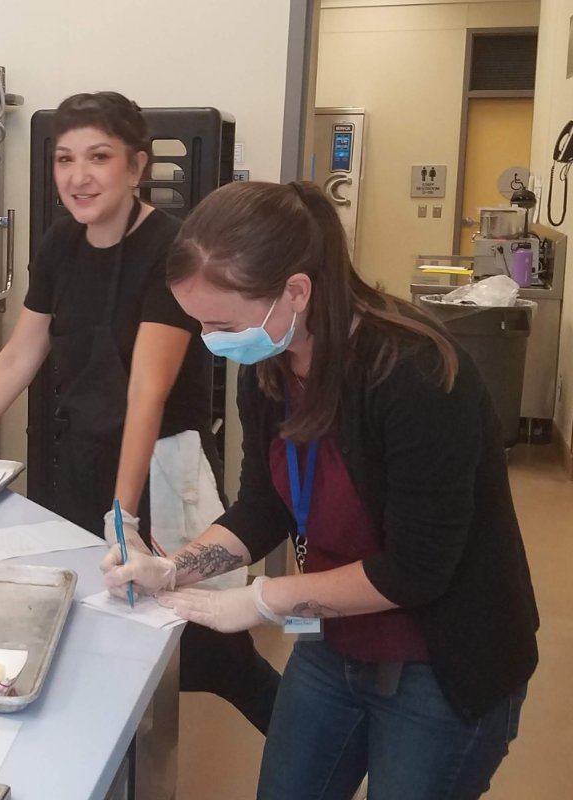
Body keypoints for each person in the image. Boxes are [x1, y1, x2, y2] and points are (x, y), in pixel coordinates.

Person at [103, 179, 538, 799]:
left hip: (443, 664)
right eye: (199, 323)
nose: (211, 341)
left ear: (296, 292)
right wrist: (173, 568)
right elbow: (263, 506)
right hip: (336, 642)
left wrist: (264, 600)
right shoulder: (270, 369)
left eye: (221, 322)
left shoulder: (415, 375)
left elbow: (417, 570)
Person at [0, 91, 279, 732]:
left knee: (210, 648)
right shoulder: (62, 242)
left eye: (99, 157)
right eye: (65, 159)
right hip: (83, 461)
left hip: (156, 469)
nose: (78, 175)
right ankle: (112, 755)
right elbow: (20, 353)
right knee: (87, 629)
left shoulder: (172, 251)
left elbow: (146, 392)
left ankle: (316, 757)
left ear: (137, 166)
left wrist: (122, 515)